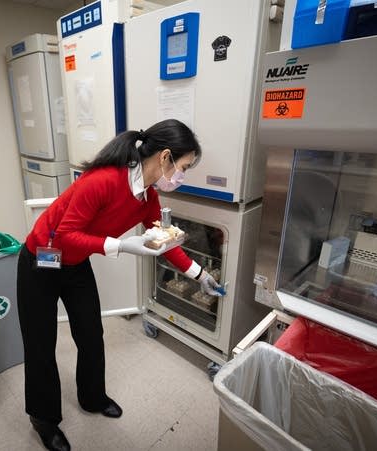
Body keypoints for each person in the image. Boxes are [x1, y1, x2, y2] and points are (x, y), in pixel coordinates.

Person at [16, 119, 223, 451]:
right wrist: (124, 245)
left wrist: (200, 274)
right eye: (183, 167)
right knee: (41, 344)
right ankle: (43, 419)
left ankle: (92, 397)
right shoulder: (102, 181)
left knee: (90, 332)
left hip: (74, 260)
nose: (182, 177)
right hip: (41, 257)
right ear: (166, 157)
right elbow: (67, 234)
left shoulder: (147, 197)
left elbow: (164, 242)